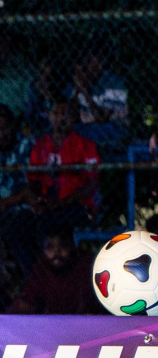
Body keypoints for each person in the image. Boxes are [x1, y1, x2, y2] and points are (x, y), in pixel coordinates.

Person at [28, 101, 101, 239]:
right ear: (49, 116)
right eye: (56, 114)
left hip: (77, 204)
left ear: (74, 118)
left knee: (61, 221)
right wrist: (40, 200)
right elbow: (33, 179)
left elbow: (92, 183)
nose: (61, 118)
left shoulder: (85, 144)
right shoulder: (40, 144)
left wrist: (63, 202)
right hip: (48, 203)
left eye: (65, 114)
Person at [7, 230, 95, 314]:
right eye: (50, 247)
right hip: (54, 323)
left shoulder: (86, 264)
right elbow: (27, 303)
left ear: (72, 247)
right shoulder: (42, 269)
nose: (56, 252)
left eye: (63, 246)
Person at [0, 108, 37, 273]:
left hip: (23, 209)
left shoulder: (27, 144)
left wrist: (6, 202)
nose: (1, 134)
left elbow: (32, 189)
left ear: (12, 126)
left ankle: (32, 282)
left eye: (4, 128)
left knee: (15, 226)